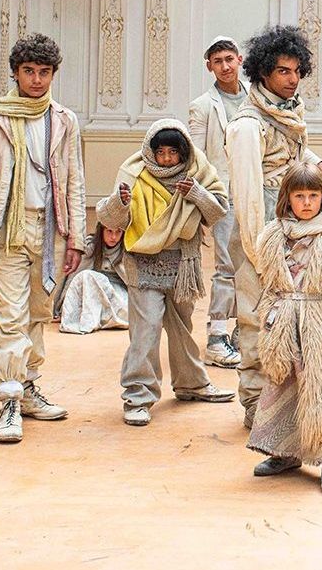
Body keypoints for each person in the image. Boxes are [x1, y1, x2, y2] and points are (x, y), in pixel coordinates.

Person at [0, 34, 86, 445]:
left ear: (54, 74)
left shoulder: (65, 120)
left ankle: (29, 386)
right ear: (15, 73)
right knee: (9, 317)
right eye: (29, 71)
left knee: (39, 312)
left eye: (44, 72)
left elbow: (74, 181)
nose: (36, 80)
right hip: (8, 230)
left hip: (51, 230)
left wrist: (76, 239)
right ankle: (8, 401)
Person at [97, 119, 236, 425]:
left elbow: (218, 210)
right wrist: (120, 202)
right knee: (145, 332)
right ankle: (137, 396)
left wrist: (197, 193)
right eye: (161, 152)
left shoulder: (197, 171)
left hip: (183, 264)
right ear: (151, 151)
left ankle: (191, 385)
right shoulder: (133, 172)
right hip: (143, 261)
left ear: (184, 151)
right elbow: (112, 220)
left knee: (182, 328)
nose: (167, 159)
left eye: (173, 152)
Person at [226, 25, 322, 429]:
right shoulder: (247, 125)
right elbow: (248, 196)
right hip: (262, 233)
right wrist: (260, 253)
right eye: (283, 71)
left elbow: (294, 151)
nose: (292, 79)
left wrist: (315, 165)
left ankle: (287, 399)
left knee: (294, 316)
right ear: (264, 72)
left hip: (294, 228)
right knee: (256, 317)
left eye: (297, 71)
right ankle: (255, 401)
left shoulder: (289, 111)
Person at [248, 164, 322, 497]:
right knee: (282, 386)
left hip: (319, 326)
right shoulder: (272, 236)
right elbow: (267, 282)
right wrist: (269, 321)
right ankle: (284, 452)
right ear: (287, 198)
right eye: (299, 196)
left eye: (313, 195)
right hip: (283, 324)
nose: (306, 203)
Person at [188, 37, 247, 369]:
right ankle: (216, 337)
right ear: (209, 66)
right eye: (218, 61)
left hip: (254, 192)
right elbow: (196, 157)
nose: (225, 66)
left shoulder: (257, 98)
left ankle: (241, 330)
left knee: (252, 263)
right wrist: (202, 201)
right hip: (223, 195)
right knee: (226, 266)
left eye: (229, 59)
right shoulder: (202, 106)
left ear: (240, 60)